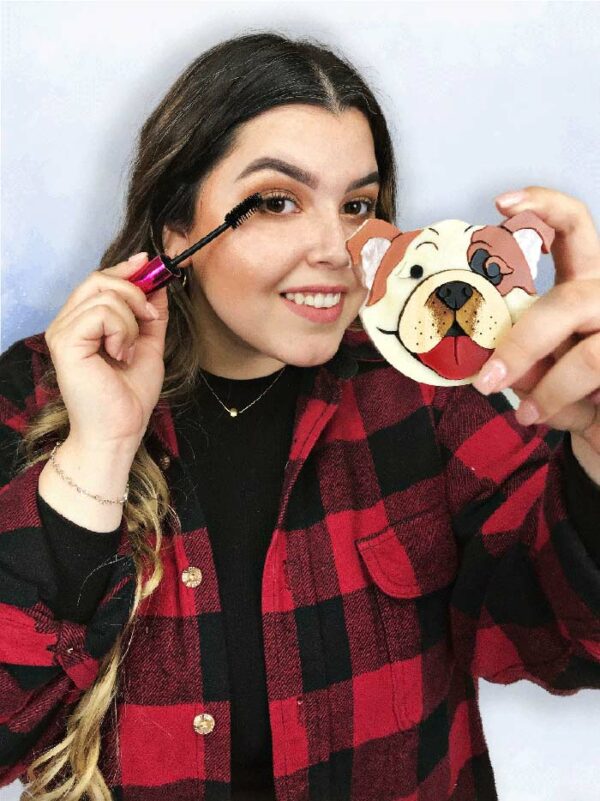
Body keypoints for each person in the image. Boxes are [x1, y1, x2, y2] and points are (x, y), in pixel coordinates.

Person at [1, 29, 599, 801]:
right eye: (277, 201)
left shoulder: (429, 388)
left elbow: (564, 639)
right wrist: (96, 457)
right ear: (177, 229)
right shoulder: (36, 394)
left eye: (359, 205)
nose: (336, 247)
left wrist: (591, 452)